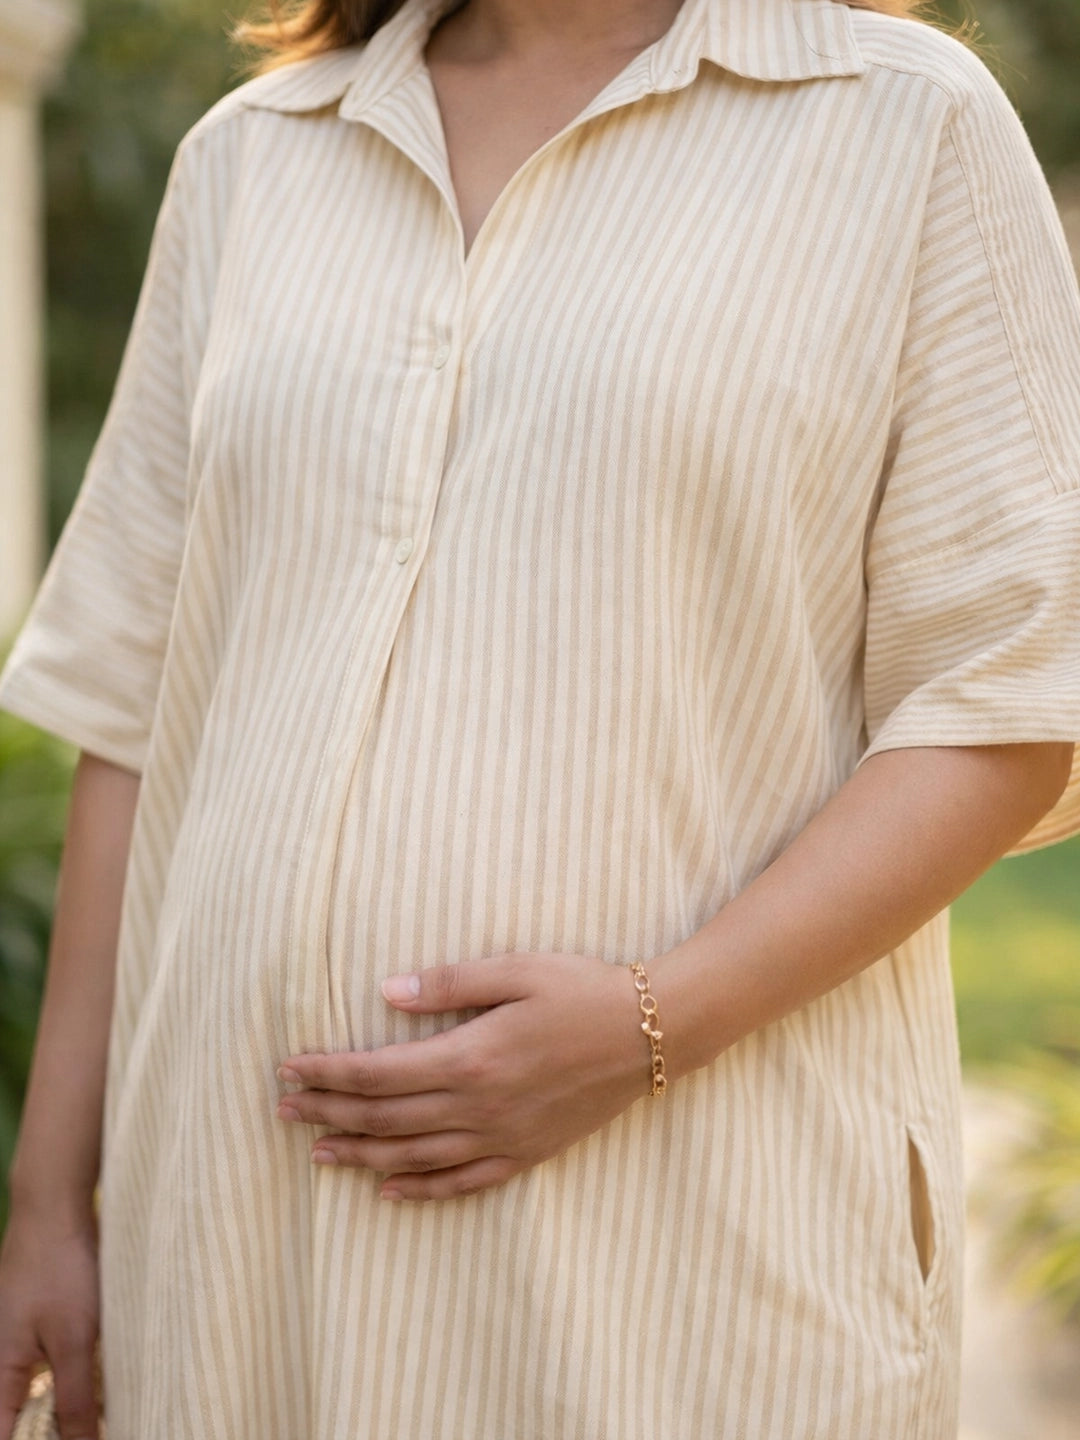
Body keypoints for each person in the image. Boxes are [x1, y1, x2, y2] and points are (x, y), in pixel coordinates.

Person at [0, 0, 1078, 1435]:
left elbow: (1011, 699)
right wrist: (48, 1203)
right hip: (232, 1247)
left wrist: (648, 1024)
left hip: (682, 1236)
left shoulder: (907, 123)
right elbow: (131, 712)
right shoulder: (251, 158)